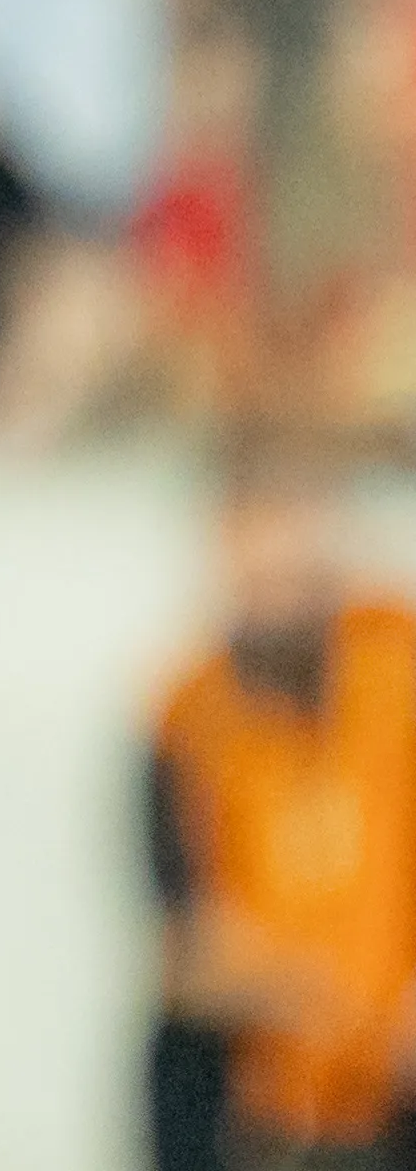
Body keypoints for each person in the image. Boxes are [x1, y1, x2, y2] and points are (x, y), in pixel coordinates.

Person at [148, 450, 416, 1171]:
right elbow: (187, 943)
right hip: (277, 1105)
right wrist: (339, 1006)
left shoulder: (395, 666)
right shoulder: (185, 716)